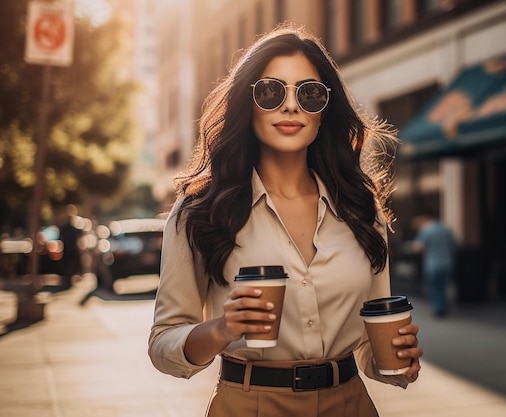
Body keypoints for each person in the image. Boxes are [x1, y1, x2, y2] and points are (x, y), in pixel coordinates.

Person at [148, 24, 423, 417]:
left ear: (324, 110)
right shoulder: (200, 211)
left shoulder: (362, 208)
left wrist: (398, 363)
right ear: (249, 102)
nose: (291, 106)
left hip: (349, 404)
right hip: (247, 406)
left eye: (309, 93)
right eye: (271, 91)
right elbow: (163, 345)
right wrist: (224, 328)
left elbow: (368, 345)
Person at [412, 210, 456, 317]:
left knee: (434, 287)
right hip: (446, 262)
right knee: (443, 286)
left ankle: (438, 308)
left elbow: (418, 248)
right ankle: (443, 307)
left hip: (432, 263)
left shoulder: (426, 230)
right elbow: (453, 245)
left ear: (426, 218)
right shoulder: (446, 229)